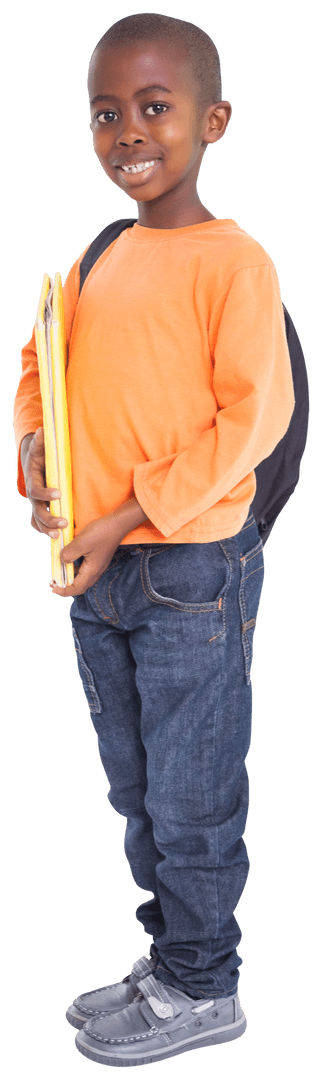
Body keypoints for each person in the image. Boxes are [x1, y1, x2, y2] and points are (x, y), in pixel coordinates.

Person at [13, 12, 295, 1068]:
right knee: (136, 790)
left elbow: (251, 421)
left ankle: (206, 988)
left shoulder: (236, 264)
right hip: (99, 573)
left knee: (192, 793)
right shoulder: (95, 257)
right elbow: (43, 369)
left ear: (211, 120)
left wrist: (125, 514)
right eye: (105, 112)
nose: (126, 130)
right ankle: (171, 958)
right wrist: (35, 455)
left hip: (186, 569)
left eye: (153, 107)